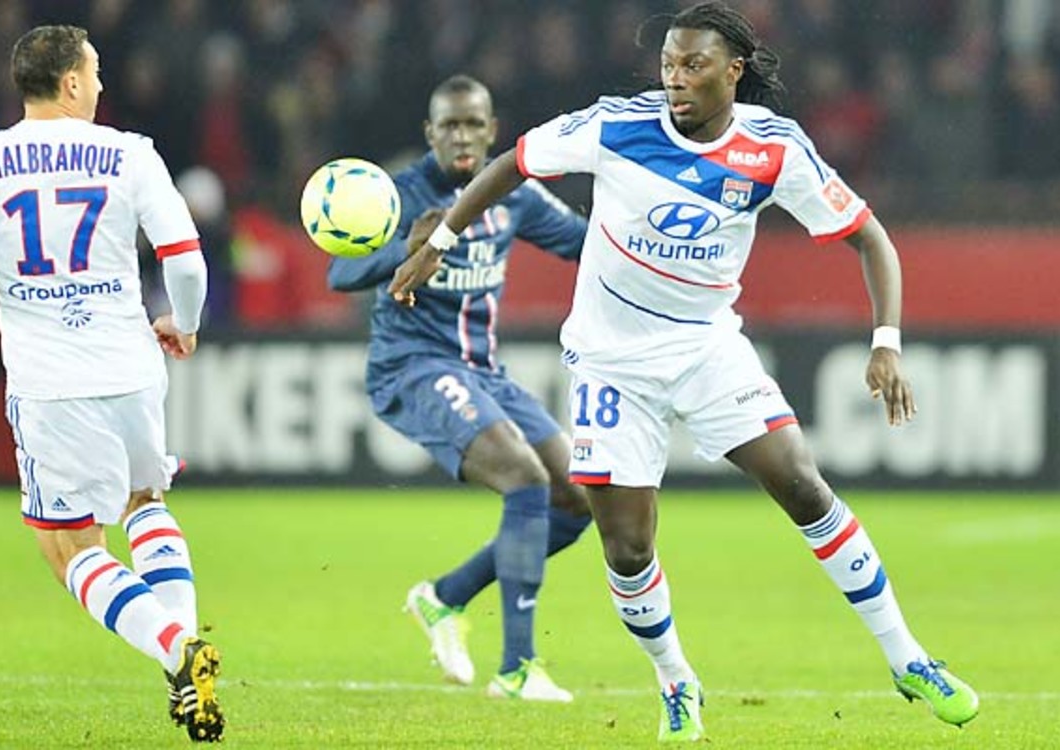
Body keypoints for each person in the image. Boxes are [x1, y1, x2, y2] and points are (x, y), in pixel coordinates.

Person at [390, 3, 979, 742]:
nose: (674, 79)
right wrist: (441, 241)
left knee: (803, 484)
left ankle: (909, 658)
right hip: (611, 364)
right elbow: (514, 162)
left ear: (733, 72)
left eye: (693, 65)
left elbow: (870, 238)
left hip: (706, 348)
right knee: (628, 547)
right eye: (668, 64)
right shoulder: (616, 126)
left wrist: (885, 341)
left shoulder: (772, 150)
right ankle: (676, 681)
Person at [0, 25, 224, 742]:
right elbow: (186, 261)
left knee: (73, 551)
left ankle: (177, 650)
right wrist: (186, 324)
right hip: (133, 367)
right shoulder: (130, 153)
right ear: (72, 82)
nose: (102, 84)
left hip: (52, 384)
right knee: (146, 501)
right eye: (96, 72)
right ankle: (182, 660)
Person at [328, 74, 593, 702]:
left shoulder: (511, 194)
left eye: (474, 124)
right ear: (431, 133)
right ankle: (518, 669)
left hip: (482, 371)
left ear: (492, 130)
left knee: (576, 498)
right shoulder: (401, 195)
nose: (463, 136)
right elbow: (340, 271)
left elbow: (585, 243)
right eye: (450, 125)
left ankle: (444, 598)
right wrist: (403, 248)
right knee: (524, 479)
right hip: (411, 365)